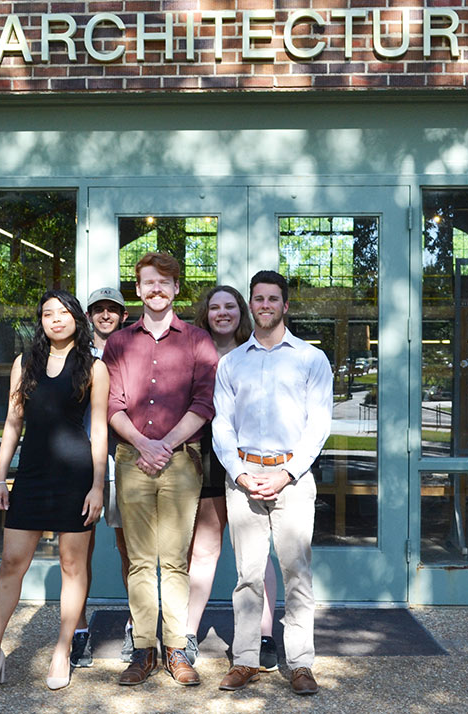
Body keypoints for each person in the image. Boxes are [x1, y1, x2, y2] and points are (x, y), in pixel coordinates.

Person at [0, 289, 108, 693]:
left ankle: (62, 649)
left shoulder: (94, 367)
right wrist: (1, 477)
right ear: (41, 321)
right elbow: (13, 423)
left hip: (75, 475)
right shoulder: (24, 362)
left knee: (72, 566)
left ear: (76, 319)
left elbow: (99, 428)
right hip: (31, 475)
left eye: (63, 312)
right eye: (47, 313)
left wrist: (98, 486)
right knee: (12, 562)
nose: (55, 319)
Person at [212, 271, 333, 695]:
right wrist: (241, 473)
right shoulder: (232, 363)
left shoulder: (311, 359)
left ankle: (300, 664)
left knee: (296, 573)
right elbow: (221, 425)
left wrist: (284, 474)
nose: (265, 305)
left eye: (272, 298)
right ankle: (245, 659)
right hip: (243, 477)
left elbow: (318, 426)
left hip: (292, 479)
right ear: (251, 304)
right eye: (258, 298)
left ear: (285, 305)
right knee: (247, 575)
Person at [102, 252, 218, 687]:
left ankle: (176, 649)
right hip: (132, 460)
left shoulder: (197, 340)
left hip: (181, 461)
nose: (156, 289)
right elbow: (111, 405)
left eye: (164, 283)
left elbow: (204, 403)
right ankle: (143, 651)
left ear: (175, 289)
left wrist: (165, 444)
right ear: (138, 288)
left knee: (173, 561)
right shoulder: (119, 343)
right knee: (137, 561)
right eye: (148, 282)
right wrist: (142, 444)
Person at [185, 285, 280, 672]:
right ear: (205, 313)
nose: (222, 313)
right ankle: (187, 633)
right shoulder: (192, 349)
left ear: (242, 311)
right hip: (206, 454)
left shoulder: (258, 352)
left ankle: (264, 634)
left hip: (251, 459)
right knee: (204, 549)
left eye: (230, 306)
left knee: (257, 554)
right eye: (214, 307)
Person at [70, 287, 134, 669]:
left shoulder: (132, 353)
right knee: (79, 552)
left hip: (124, 460)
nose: (106, 315)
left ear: (124, 315)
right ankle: (78, 632)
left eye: (113, 309)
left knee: (131, 550)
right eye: (99, 309)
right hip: (82, 464)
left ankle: (134, 625)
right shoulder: (77, 358)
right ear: (89, 315)